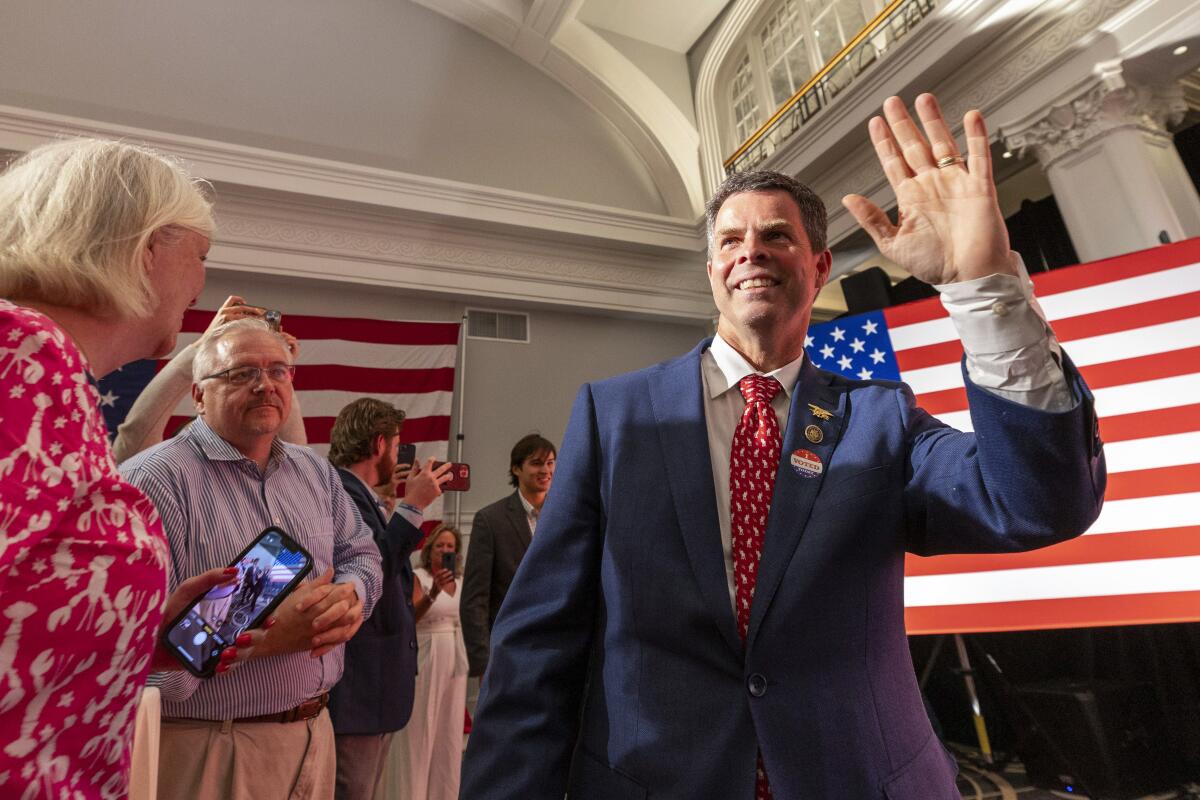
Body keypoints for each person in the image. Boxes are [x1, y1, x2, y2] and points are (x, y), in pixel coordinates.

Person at [460, 94, 1107, 799]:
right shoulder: (613, 416)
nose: (752, 252)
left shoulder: (881, 418)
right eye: (731, 241)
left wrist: (983, 288)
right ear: (712, 272)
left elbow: (1042, 503)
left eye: (776, 235)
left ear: (819, 265)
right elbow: (538, 646)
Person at [0, 138, 259, 800]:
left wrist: (142, 635)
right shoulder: (17, 365)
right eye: (199, 256)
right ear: (148, 249)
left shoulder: (55, 380)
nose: (202, 282)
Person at [120, 318, 383, 800]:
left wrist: (351, 596)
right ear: (198, 395)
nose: (265, 384)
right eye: (241, 373)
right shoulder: (153, 481)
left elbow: (362, 553)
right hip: (212, 745)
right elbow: (139, 663)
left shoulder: (315, 472)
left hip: (314, 732)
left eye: (278, 371)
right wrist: (263, 639)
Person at [323, 397, 452, 800]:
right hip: (359, 686)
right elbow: (371, 568)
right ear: (379, 445)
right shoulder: (342, 494)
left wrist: (395, 504)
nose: (398, 455)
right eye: (397, 446)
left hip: (377, 688)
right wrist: (414, 507)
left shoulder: (367, 497)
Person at [112, 294, 307, 463]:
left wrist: (280, 364)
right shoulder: (158, 472)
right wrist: (200, 347)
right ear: (199, 398)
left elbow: (294, 449)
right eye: (203, 444)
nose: (265, 387)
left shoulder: (293, 473)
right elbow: (137, 433)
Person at [459, 434, 556, 678]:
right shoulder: (491, 520)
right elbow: (475, 599)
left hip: (558, 650)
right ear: (516, 469)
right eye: (536, 463)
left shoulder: (566, 516)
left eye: (551, 463)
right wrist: (483, 663)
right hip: (507, 652)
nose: (545, 470)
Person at [385, 524, 468, 800]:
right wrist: (433, 593)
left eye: (450, 547)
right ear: (429, 550)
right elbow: (412, 619)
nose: (446, 550)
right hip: (426, 651)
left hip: (454, 657)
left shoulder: (462, 580)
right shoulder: (418, 578)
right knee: (421, 729)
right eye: (440, 546)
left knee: (449, 732)